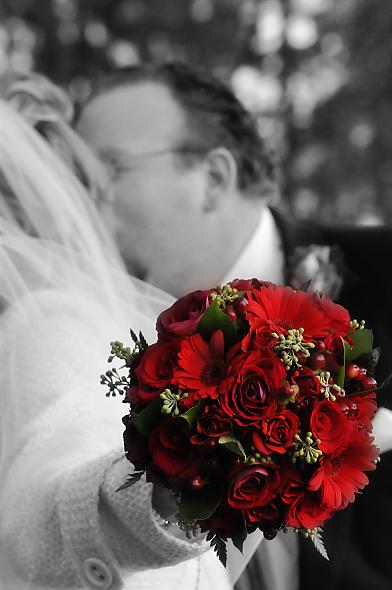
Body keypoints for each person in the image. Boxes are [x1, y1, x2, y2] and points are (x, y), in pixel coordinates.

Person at [76, 61, 392, 590]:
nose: (84, 201)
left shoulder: (384, 271)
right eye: (77, 179)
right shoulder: (85, 344)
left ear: (214, 177)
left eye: (110, 169)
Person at [0, 73, 233, 590]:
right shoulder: (52, 325)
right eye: (102, 192)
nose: (111, 218)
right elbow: (46, 499)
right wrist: (174, 485)